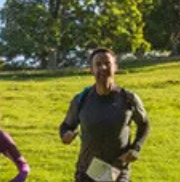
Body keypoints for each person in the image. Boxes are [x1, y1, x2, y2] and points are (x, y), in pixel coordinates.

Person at [60, 48, 151, 182]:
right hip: (87, 171)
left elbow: (144, 124)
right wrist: (65, 135)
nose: (103, 68)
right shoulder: (81, 99)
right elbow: (66, 126)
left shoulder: (128, 98)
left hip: (117, 170)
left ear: (115, 67)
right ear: (91, 69)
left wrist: (135, 148)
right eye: (98, 64)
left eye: (107, 63)